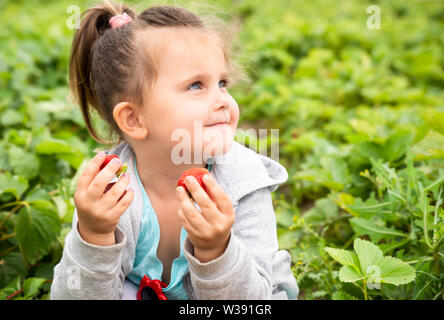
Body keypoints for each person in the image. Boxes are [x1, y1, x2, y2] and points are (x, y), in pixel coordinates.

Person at [51, 0, 298, 300]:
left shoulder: (244, 181)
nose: (223, 100)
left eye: (222, 82)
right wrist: (94, 236)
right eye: (196, 85)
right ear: (134, 119)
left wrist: (216, 249)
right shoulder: (110, 190)